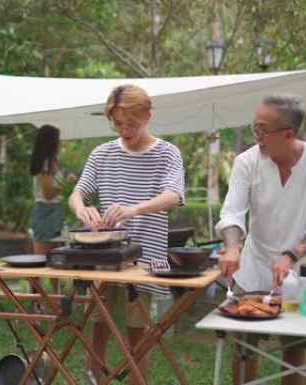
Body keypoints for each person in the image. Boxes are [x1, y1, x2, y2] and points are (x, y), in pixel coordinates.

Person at [215, 93, 306, 385]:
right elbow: (232, 213)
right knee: (244, 347)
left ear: (288, 134)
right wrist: (233, 248)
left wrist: (291, 255)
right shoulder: (247, 162)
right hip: (253, 264)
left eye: (262, 129)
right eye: (254, 128)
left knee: (294, 349)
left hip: (303, 271)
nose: (256, 136)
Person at [69, 84, 185, 384]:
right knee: (97, 324)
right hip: (105, 256)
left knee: (138, 332)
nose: (124, 130)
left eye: (130, 124)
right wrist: (82, 209)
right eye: (117, 124)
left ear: (147, 114)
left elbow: (173, 195)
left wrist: (133, 209)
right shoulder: (103, 153)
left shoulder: (167, 153)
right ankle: (93, 379)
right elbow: (77, 194)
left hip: (146, 258)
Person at [29, 124, 64, 295]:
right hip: (46, 211)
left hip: (52, 211)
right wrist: (65, 186)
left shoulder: (51, 162)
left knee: (54, 257)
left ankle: (56, 297)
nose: (60, 143)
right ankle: (37, 300)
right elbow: (48, 193)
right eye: (58, 140)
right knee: (41, 260)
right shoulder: (47, 163)